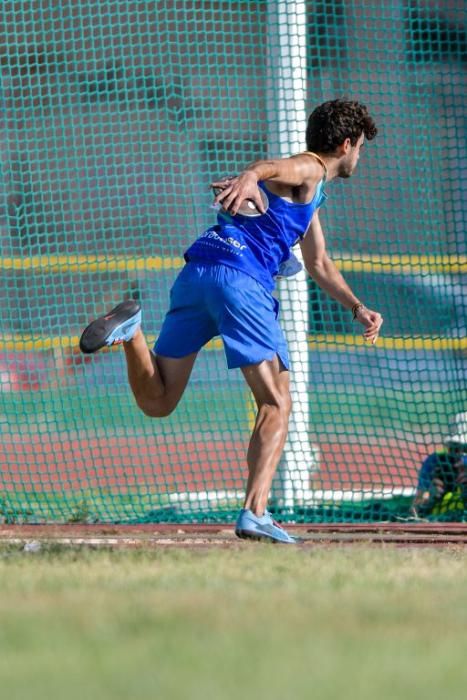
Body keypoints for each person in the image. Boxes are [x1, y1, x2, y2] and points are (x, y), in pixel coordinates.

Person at [79, 98, 383, 543]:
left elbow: (319, 263)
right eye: (361, 147)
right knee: (278, 403)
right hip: (240, 282)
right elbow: (273, 167)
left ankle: (132, 332)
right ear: (346, 143)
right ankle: (255, 513)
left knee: (158, 402)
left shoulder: (311, 196)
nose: (360, 156)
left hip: (199, 270)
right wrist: (250, 175)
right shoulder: (311, 168)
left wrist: (357, 307)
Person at [412, 412, 467, 518]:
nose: (459, 457)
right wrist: (430, 499)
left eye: (465, 450)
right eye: (454, 448)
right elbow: (413, 511)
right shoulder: (435, 462)